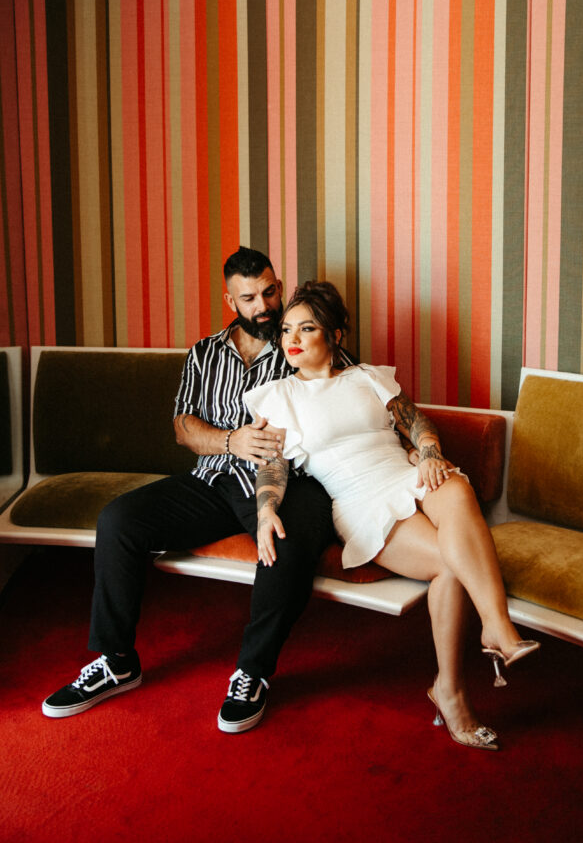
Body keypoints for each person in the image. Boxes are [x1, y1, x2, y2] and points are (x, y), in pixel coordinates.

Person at [42, 247, 354, 733]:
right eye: (249, 297)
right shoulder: (205, 353)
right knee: (118, 521)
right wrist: (232, 440)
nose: (265, 306)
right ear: (230, 300)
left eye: (270, 291)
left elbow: (352, 389)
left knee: (285, 543)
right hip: (213, 480)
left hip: (286, 482)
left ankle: (251, 673)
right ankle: (117, 660)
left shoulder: (300, 335)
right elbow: (183, 428)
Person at [244, 280, 540, 751]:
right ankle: (452, 689)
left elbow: (415, 421)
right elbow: (272, 465)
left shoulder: (367, 377)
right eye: (286, 330)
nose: (291, 339)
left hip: (404, 473)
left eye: (307, 328)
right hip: (360, 500)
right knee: (448, 565)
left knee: (455, 484)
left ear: (335, 335)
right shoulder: (279, 396)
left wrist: (426, 451)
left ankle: (495, 625)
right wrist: (265, 512)